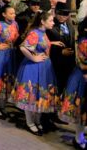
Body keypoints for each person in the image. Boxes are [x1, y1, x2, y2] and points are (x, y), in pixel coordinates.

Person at [11, 11, 58, 135]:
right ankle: (30, 122)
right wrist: (34, 58)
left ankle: (37, 121)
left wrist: (51, 44)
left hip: (43, 67)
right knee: (31, 94)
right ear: (42, 21)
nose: (53, 23)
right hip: (34, 67)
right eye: (51, 21)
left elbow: (39, 44)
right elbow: (23, 47)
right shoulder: (35, 33)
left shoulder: (42, 32)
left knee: (39, 94)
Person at [59, 19, 87, 149]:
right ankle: (78, 138)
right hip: (83, 77)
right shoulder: (84, 41)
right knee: (81, 109)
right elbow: (83, 62)